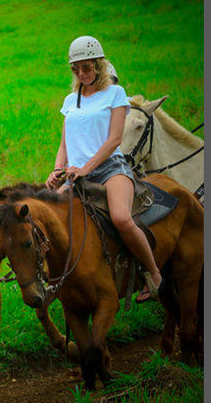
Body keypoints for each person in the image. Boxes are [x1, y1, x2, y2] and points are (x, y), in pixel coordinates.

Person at [45, 36, 162, 303]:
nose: (81, 73)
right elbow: (64, 142)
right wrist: (57, 170)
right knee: (49, 219)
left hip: (110, 169)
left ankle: (153, 273)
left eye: (86, 67)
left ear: (98, 65)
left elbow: (114, 140)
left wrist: (86, 168)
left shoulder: (115, 94)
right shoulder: (71, 100)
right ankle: (56, 280)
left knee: (121, 218)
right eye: (76, 69)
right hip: (75, 173)